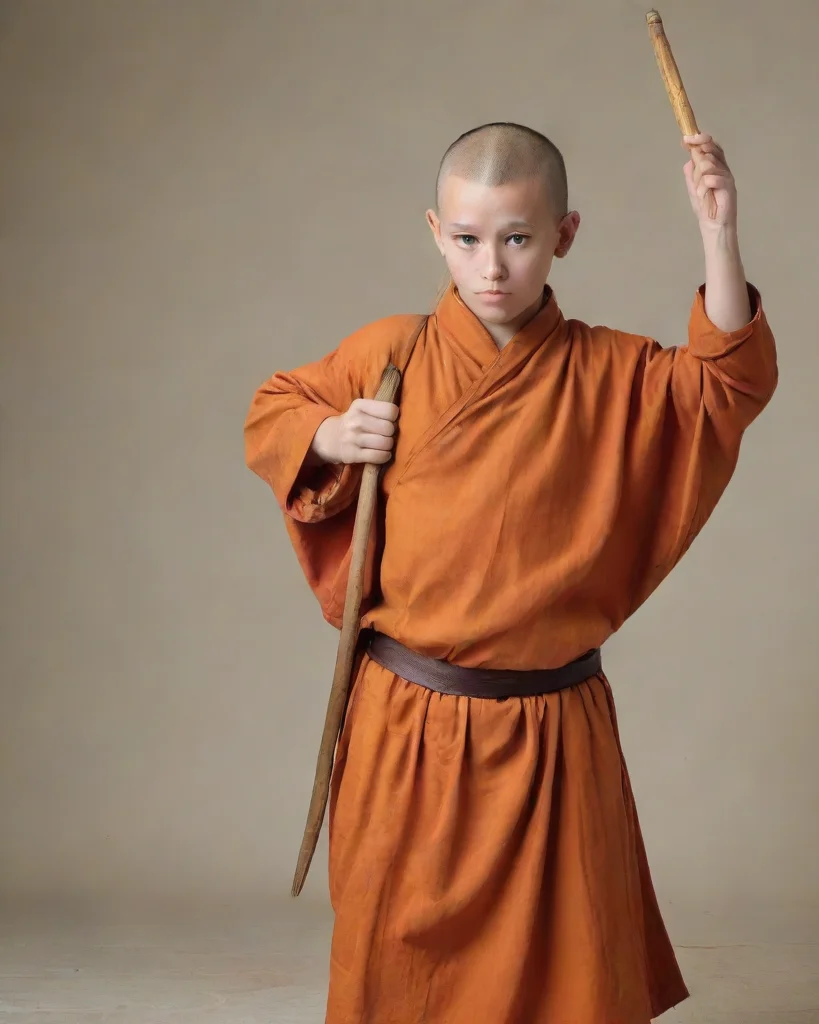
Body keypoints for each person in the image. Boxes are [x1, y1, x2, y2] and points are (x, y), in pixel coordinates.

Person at [244, 121, 778, 1023]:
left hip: (552, 737)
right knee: (399, 973)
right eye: (467, 239)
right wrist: (328, 434)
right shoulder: (390, 356)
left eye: (518, 238)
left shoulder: (610, 372)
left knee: (566, 981)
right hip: (408, 733)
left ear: (564, 235)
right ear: (435, 232)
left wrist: (719, 234)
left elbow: (724, 385)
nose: (491, 266)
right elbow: (273, 410)